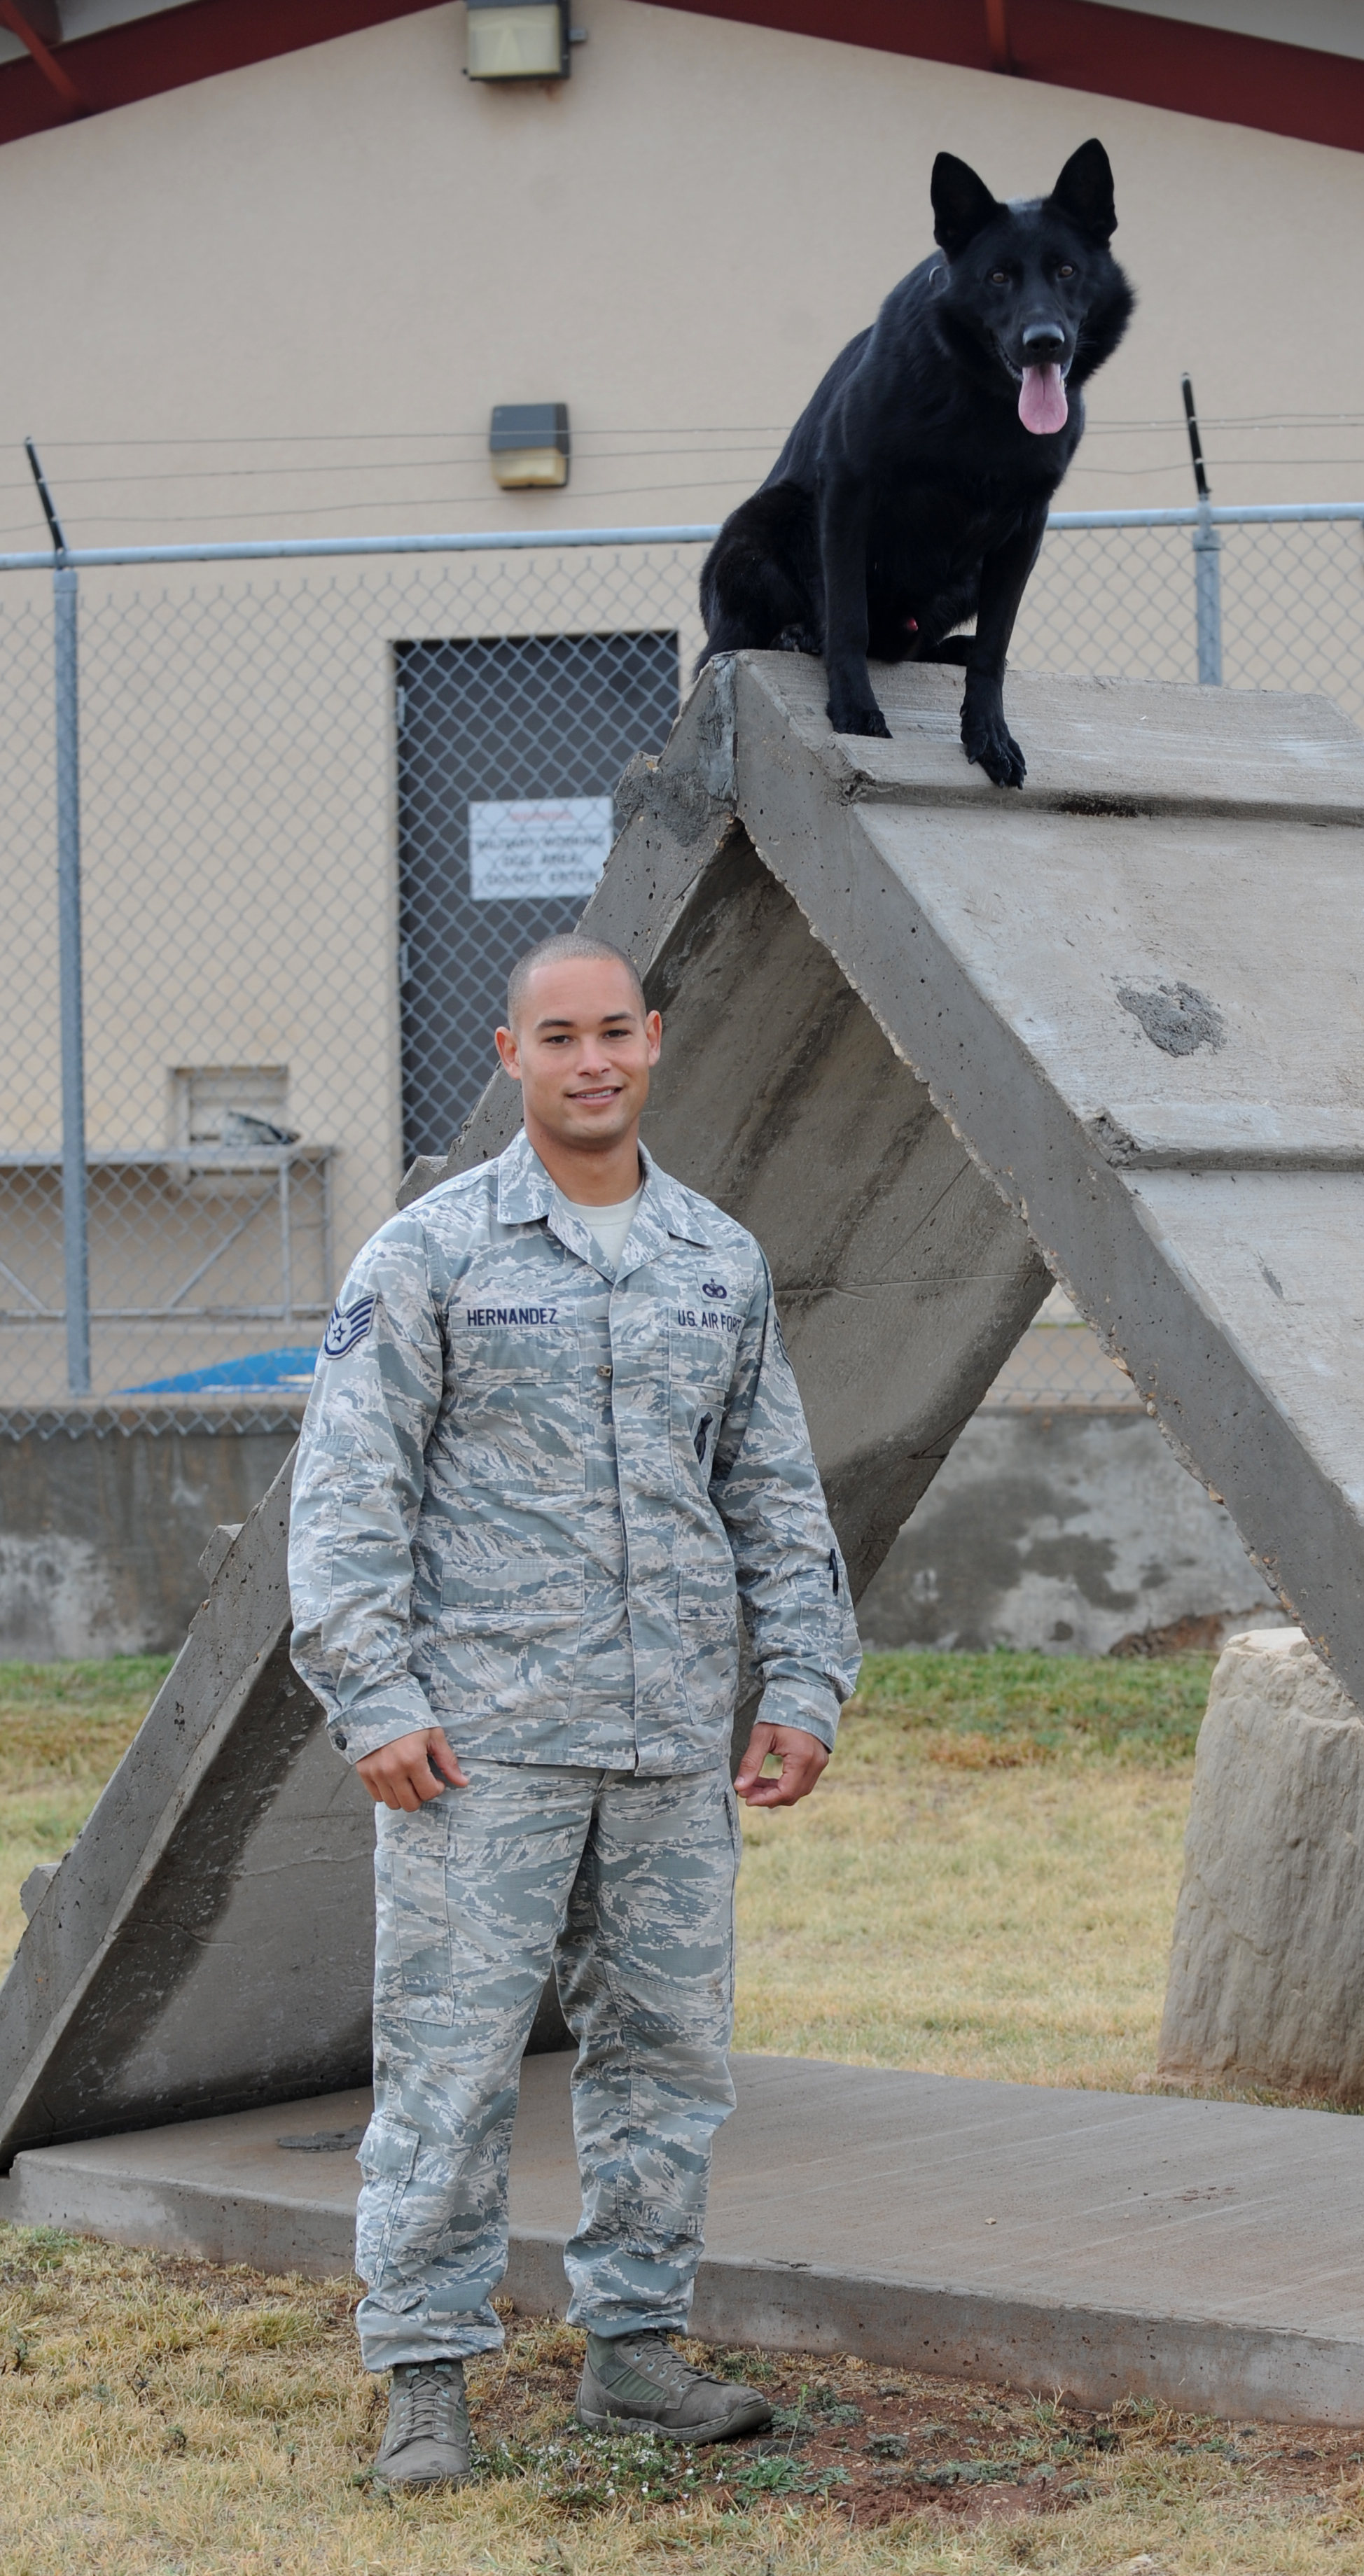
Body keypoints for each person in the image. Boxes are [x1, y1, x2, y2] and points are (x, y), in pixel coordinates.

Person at [288, 930, 859, 2491]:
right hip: (481, 1744)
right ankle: (424, 2373)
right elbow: (347, 1491)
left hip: (670, 1740)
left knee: (667, 2056)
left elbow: (771, 1487)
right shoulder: (428, 1254)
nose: (591, 1060)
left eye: (615, 1031)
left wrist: (803, 1678)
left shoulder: (717, 1259)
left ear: (653, 1039)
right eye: (559, 1037)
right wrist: (373, 1695)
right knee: (453, 2063)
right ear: (510, 1055)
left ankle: (634, 2351)